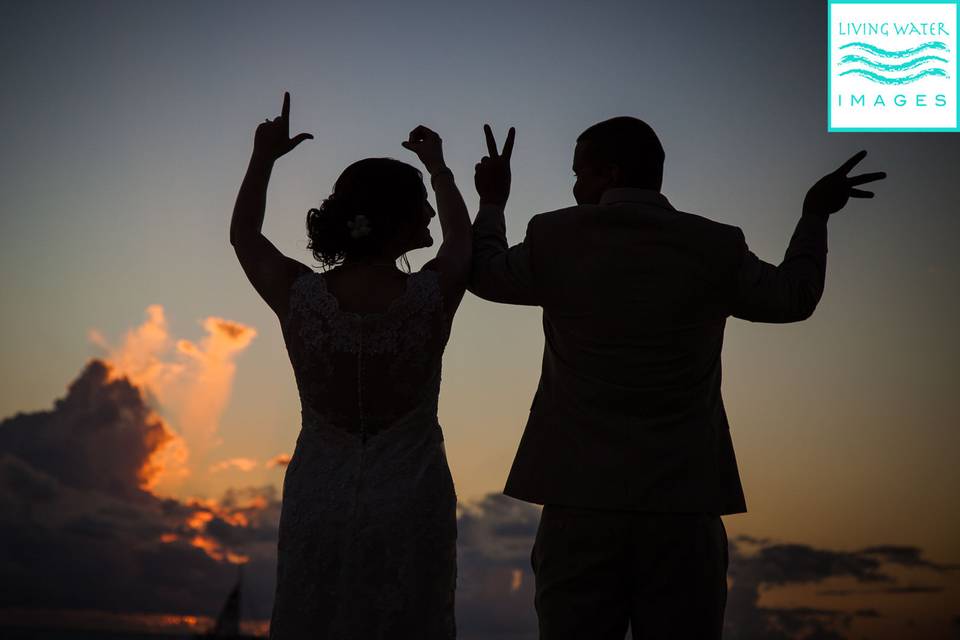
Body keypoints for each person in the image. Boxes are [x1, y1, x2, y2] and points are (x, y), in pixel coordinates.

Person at [468, 117, 886, 639]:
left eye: (579, 172)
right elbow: (794, 297)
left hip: (579, 499)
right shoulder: (716, 245)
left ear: (609, 173)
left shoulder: (555, 236)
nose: (574, 186)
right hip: (685, 503)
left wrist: (492, 202)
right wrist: (815, 215)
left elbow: (483, 275)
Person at [230, 91, 472, 639]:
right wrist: (439, 168)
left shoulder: (299, 296)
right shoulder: (432, 296)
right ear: (397, 218)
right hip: (413, 500)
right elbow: (462, 238)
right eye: (421, 202)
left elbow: (245, 235)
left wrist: (263, 158)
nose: (430, 212)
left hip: (319, 498)